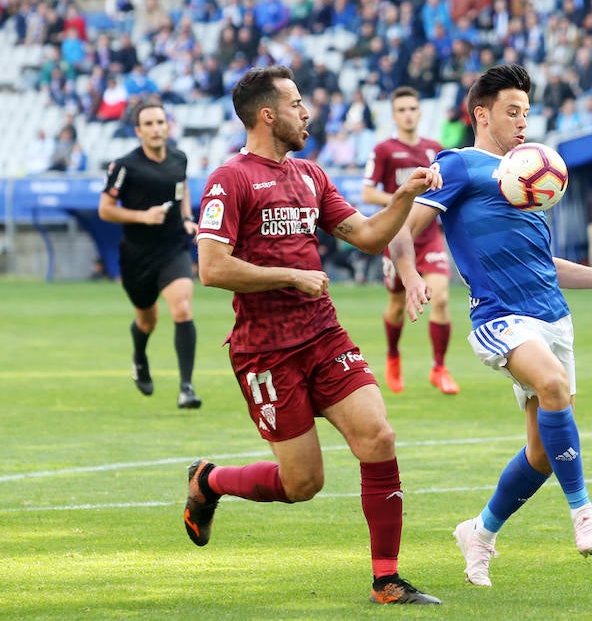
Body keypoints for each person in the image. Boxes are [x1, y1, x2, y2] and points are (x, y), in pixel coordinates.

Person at [387, 64, 592, 587]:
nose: (522, 122)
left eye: (526, 113)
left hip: (554, 319)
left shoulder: (529, 178)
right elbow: (401, 230)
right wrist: (410, 274)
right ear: (481, 114)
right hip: (499, 318)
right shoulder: (460, 165)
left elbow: (544, 265)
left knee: (541, 454)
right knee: (553, 385)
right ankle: (583, 513)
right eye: (512, 112)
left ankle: (480, 532)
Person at [186, 66, 441, 606]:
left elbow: (367, 235)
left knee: (379, 437)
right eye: (297, 104)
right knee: (302, 484)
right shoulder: (230, 179)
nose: (308, 113)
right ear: (267, 115)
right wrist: (290, 276)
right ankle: (209, 481)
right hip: (265, 353)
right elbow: (211, 267)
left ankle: (387, 581)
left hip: (324, 335)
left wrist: (403, 196)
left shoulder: (311, 175)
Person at [97, 102, 202, 409]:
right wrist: (143, 217)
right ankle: (140, 357)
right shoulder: (125, 166)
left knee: (182, 307)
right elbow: (105, 210)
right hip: (138, 256)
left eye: (160, 122)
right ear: (138, 131)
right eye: (149, 124)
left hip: (173, 248)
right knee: (147, 321)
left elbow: (182, 189)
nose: (156, 129)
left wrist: (186, 218)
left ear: (168, 126)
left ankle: (186, 388)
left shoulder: (180, 158)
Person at [361, 86, 459, 395]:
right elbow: (367, 193)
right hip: (396, 236)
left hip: (428, 234)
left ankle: (439, 368)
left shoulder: (434, 149)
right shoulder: (384, 150)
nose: (408, 114)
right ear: (394, 116)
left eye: (412, 109)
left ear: (420, 112)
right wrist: (403, 198)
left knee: (441, 298)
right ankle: (393, 356)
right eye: (401, 110)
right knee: (396, 304)